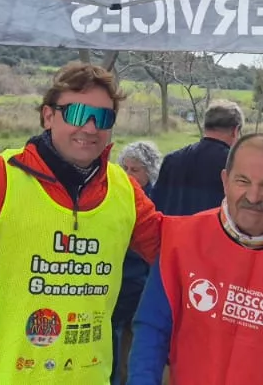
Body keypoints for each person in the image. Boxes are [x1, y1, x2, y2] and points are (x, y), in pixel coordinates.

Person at [0, 62, 164, 385]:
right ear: (48, 116)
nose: (92, 128)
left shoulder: (123, 189)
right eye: (78, 114)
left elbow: (171, 251)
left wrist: (235, 217)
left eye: (104, 117)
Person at [128, 134, 263, 385]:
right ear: (225, 181)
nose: (254, 196)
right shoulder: (182, 241)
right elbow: (152, 329)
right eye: (242, 181)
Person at [113, 141, 162, 385]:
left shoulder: (155, 201)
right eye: (124, 167)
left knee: (132, 349)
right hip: (116, 285)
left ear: (150, 173)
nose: (128, 174)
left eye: (135, 170)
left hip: (141, 286)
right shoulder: (115, 195)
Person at [151, 100, 243, 216]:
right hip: (213, 233)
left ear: (205, 126)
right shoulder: (236, 166)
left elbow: (155, 206)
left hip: (173, 231)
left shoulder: (172, 160)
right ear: (235, 131)